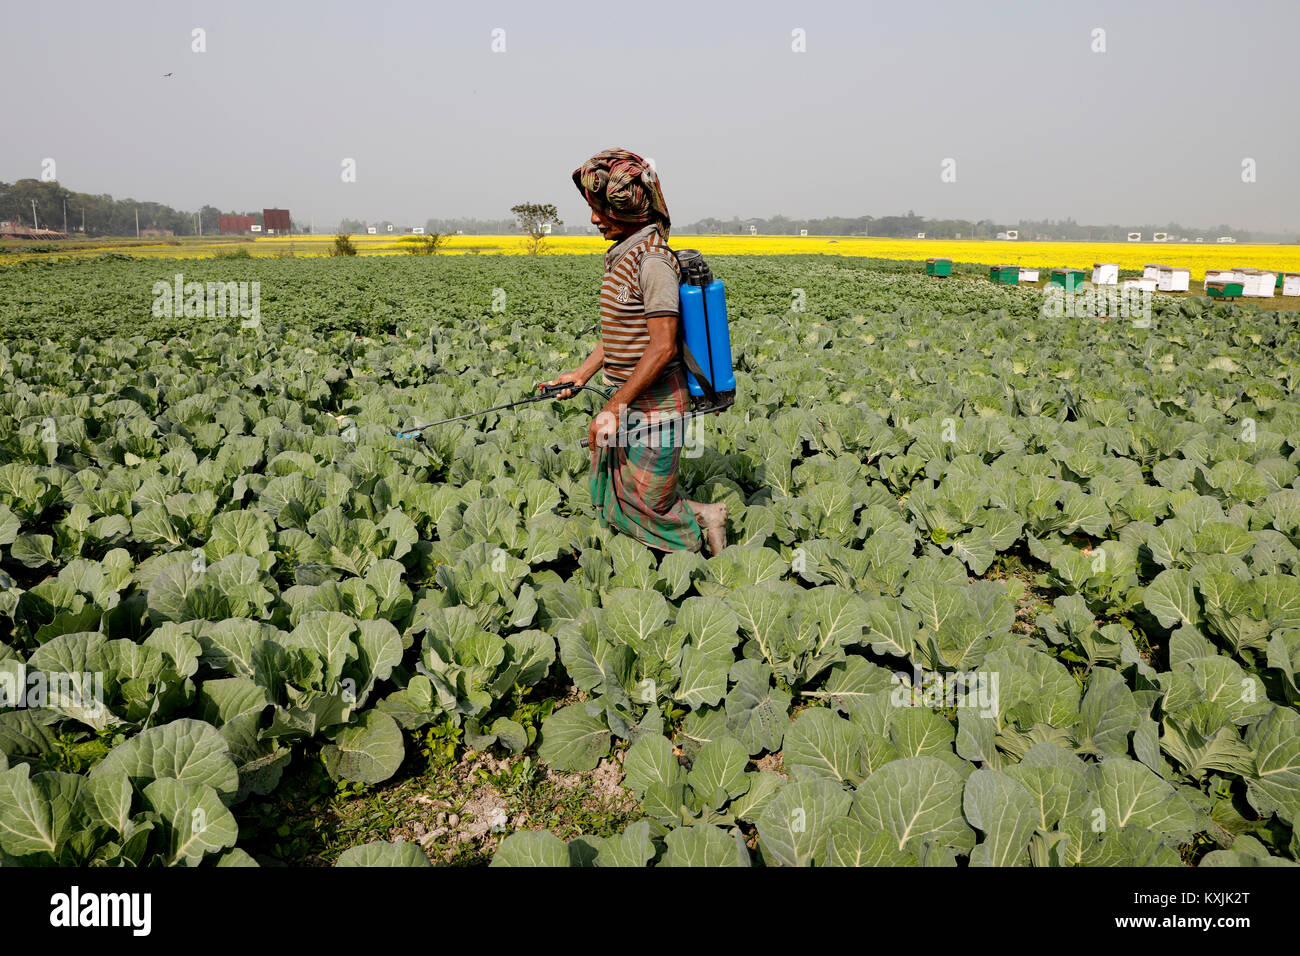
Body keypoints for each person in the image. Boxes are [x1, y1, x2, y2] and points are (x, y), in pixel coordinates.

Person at [546, 147, 727, 555]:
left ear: (627, 214)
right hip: (629, 396)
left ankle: (702, 557)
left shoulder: (652, 261)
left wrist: (615, 407)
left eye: (602, 211)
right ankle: (704, 518)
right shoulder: (621, 255)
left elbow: (662, 348)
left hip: (658, 400)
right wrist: (582, 374)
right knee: (622, 493)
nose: (594, 218)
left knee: (651, 502)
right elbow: (621, 332)